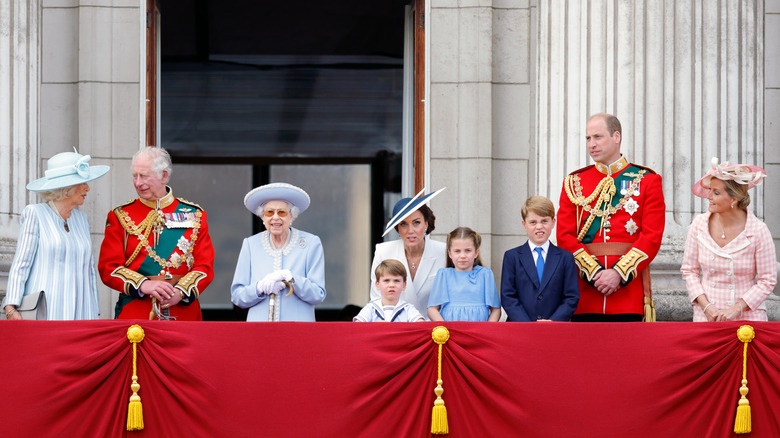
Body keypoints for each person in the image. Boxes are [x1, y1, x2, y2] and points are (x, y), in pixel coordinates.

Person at [557, 113, 666, 322]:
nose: (591, 144)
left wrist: (618, 274)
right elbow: (565, 237)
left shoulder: (647, 180)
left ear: (616, 137)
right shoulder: (574, 183)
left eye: (598, 137)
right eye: (588, 138)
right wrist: (594, 273)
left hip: (627, 294)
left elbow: (651, 237)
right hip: (585, 294)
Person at [98, 147, 215, 320]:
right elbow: (109, 268)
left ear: (164, 176)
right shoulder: (120, 216)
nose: (138, 183)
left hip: (183, 312)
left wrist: (180, 292)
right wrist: (144, 285)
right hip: (136, 312)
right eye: (134, 176)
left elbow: (204, 267)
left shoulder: (195, 214)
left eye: (144, 176)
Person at [3, 149, 109, 320]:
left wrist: (94, 310)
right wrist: (11, 307)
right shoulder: (35, 214)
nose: (88, 188)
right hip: (46, 311)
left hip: (81, 311)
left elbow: (89, 270)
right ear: (67, 187)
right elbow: (21, 264)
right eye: (83, 183)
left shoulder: (82, 219)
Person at [681, 158, 776, 322]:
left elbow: (767, 280)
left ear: (733, 199)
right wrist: (706, 307)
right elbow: (689, 271)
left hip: (748, 318)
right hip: (707, 317)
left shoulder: (758, 231)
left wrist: (736, 309)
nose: (708, 196)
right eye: (710, 190)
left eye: (716, 192)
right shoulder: (699, 225)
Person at [231, 183, 326, 321]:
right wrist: (259, 288)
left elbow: (318, 294)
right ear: (262, 217)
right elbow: (237, 296)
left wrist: (291, 279)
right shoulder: (250, 244)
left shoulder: (310, 243)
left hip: (298, 331)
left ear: (291, 216)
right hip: (259, 330)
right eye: (269, 212)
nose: (275, 217)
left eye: (282, 212)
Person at [369, 188, 447, 317]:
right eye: (403, 224)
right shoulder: (383, 251)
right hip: (395, 327)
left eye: (416, 222)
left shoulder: (443, 251)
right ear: (397, 228)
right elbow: (376, 299)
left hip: (434, 329)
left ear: (426, 224)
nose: (410, 230)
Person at [501, 196, 579, 322]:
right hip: (520, 328)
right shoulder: (512, 257)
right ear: (524, 224)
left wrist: (553, 321)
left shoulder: (566, 258)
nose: (539, 227)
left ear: (553, 222)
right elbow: (508, 297)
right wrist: (528, 325)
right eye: (533, 222)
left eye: (544, 221)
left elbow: (571, 297)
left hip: (554, 329)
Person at [427, 227, 501, 322]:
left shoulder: (485, 275)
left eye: (468, 250)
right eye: (457, 251)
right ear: (450, 253)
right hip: (451, 332)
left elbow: (496, 309)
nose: (462, 256)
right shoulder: (444, 275)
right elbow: (432, 309)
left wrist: (487, 330)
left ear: (476, 253)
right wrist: (445, 329)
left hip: (479, 332)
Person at [354, 259, 424, 322]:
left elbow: (420, 325)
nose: (391, 285)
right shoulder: (371, 308)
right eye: (386, 280)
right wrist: (373, 327)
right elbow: (357, 326)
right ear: (377, 285)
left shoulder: (408, 309)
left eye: (396, 280)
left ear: (404, 285)